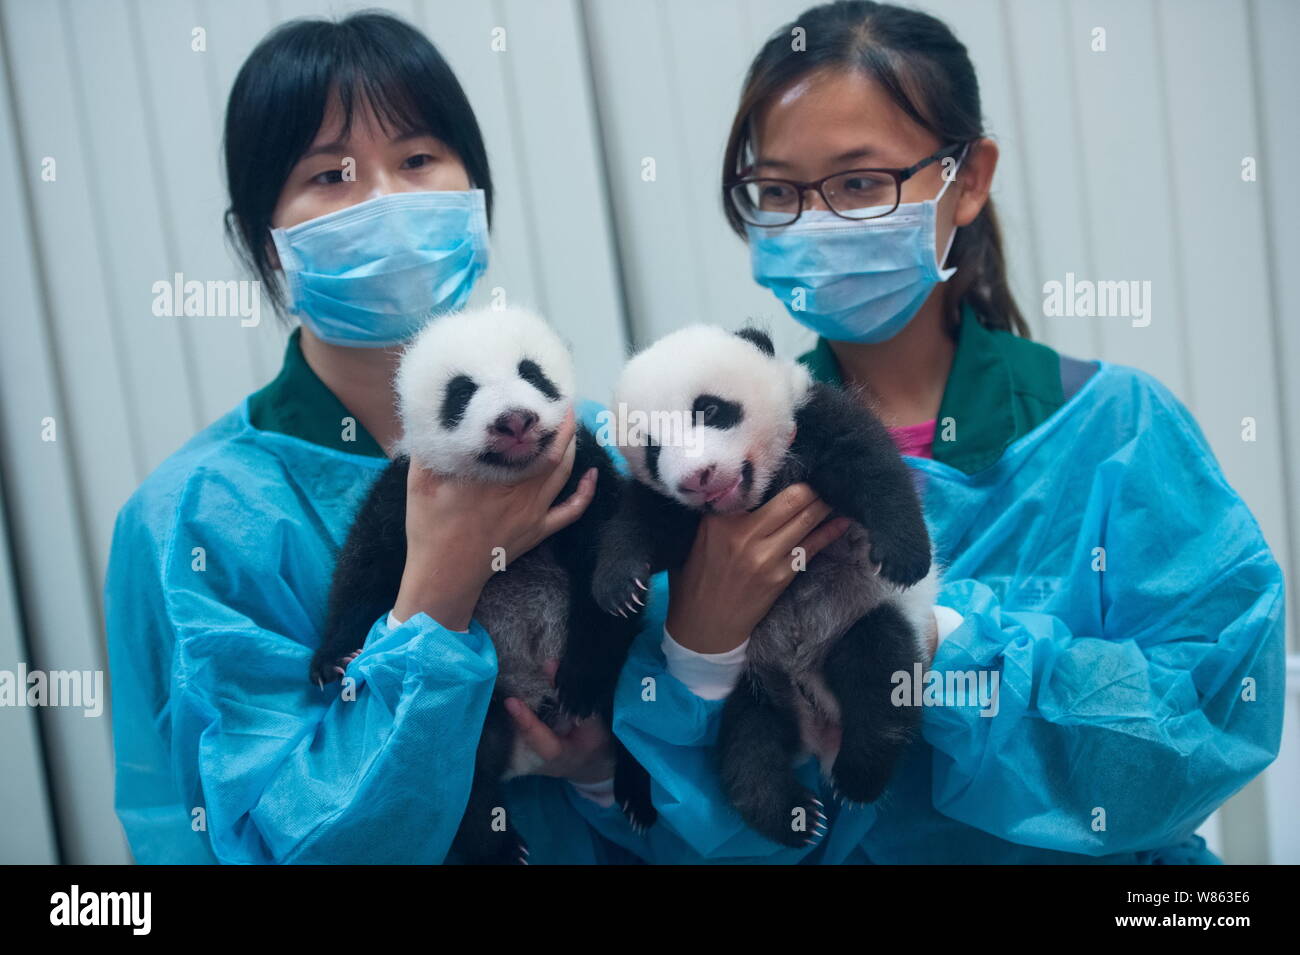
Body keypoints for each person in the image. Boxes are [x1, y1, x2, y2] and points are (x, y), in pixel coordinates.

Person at [596, 0, 1286, 863]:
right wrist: (699, 653)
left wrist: (940, 644)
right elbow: (677, 827)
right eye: (778, 191)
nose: (816, 222)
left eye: (859, 183)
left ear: (968, 178)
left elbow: (1209, 721)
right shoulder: (707, 461)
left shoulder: (1113, 432)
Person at [104, 12, 639, 864]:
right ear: (266, 242)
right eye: (331, 174)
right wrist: (437, 590)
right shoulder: (197, 520)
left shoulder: (593, 447)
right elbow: (260, 841)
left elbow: (734, 789)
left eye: (419, 158)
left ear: (477, 195)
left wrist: (609, 770)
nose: (387, 199)